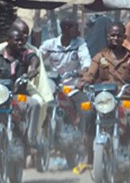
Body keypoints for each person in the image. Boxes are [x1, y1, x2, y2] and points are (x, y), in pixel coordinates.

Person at [77, 22, 130, 183]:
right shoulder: (100, 57)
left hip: (125, 99)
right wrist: (84, 81)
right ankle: (89, 155)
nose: (115, 38)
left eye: (119, 35)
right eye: (112, 35)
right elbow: (90, 74)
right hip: (105, 99)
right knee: (89, 114)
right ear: (108, 37)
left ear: (124, 38)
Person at [0, 19, 54, 164]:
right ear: (9, 37)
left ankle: (32, 139)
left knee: (38, 103)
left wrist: (31, 71)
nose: (22, 39)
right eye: (19, 36)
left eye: (25, 35)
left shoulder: (28, 52)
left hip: (22, 88)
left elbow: (35, 64)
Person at [40, 16, 93, 157]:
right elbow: (36, 58)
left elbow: (86, 61)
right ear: (65, 29)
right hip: (53, 87)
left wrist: (83, 70)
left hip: (74, 87)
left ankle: (83, 139)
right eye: (75, 27)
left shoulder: (80, 43)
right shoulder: (49, 45)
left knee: (87, 110)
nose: (78, 30)